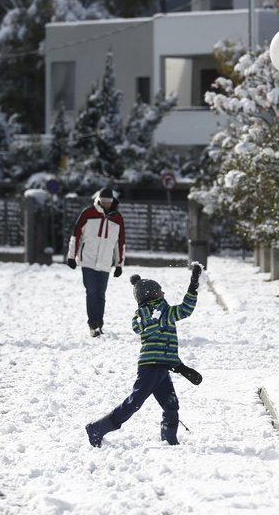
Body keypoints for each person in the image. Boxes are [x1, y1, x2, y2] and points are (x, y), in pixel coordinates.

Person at [86, 263, 203, 448]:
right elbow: (137, 325)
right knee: (134, 402)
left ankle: (169, 438)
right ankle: (98, 428)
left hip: (161, 367)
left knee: (171, 404)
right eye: (160, 291)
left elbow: (186, 309)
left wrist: (193, 285)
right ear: (152, 294)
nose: (164, 293)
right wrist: (151, 316)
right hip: (150, 367)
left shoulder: (166, 312)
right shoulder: (154, 314)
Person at [66, 187, 126, 337]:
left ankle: (99, 323)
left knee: (101, 294)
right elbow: (76, 235)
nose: (105, 204)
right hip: (88, 260)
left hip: (106, 262)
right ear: (99, 200)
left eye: (108, 202)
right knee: (92, 292)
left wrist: (119, 264)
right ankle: (93, 325)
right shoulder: (88, 213)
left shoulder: (117, 218)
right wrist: (71, 256)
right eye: (103, 201)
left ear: (112, 202)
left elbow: (120, 243)